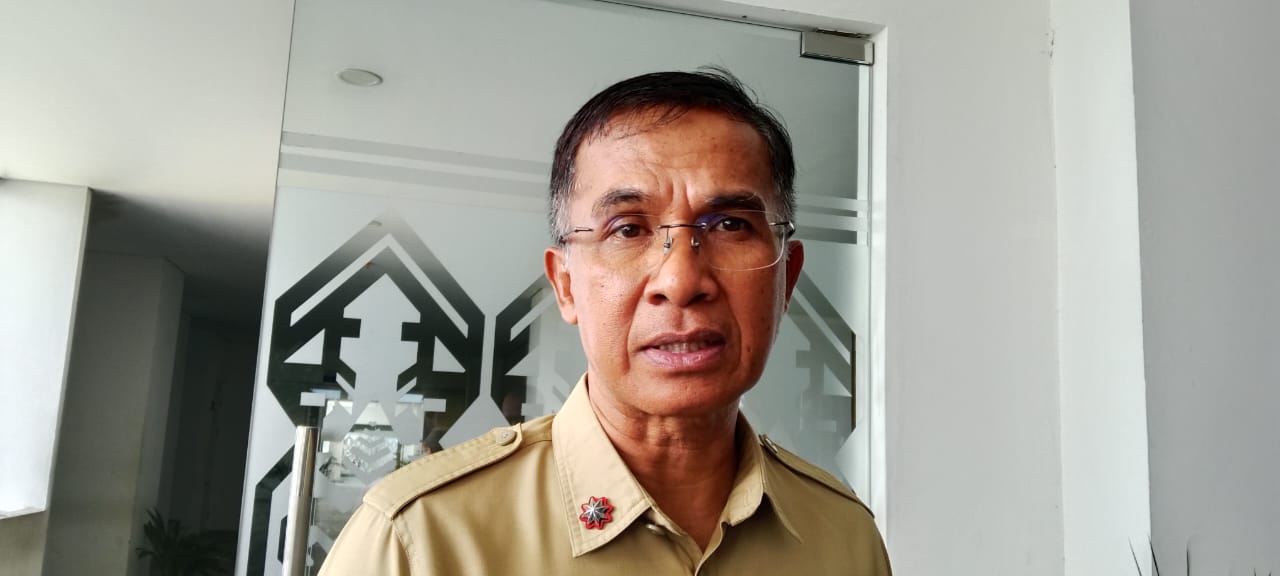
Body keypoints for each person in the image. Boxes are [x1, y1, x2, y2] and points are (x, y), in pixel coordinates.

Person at [319, 68, 891, 575]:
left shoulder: (843, 536)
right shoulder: (418, 540)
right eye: (628, 229)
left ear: (786, 277)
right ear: (565, 285)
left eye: (729, 225)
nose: (681, 280)